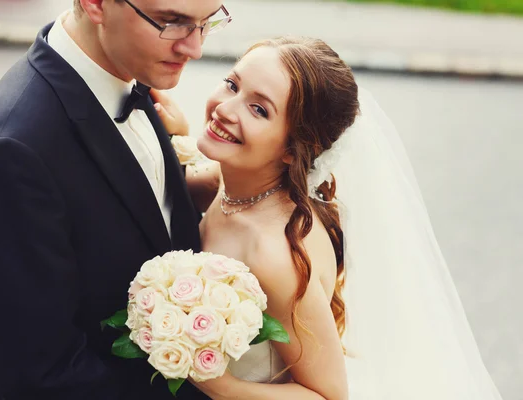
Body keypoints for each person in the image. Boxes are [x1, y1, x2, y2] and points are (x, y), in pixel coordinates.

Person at [159, 37, 504, 399]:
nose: (226, 109)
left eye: (259, 110)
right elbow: (183, 182)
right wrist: (167, 133)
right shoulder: (231, 184)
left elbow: (328, 395)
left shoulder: (273, 256)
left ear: (294, 149)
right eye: (232, 84)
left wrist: (222, 387)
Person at [0, 0, 228, 399]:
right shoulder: (10, 154)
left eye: (207, 22)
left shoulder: (127, 69)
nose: (195, 48)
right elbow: (44, 378)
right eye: (172, 22)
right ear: (95, 4)